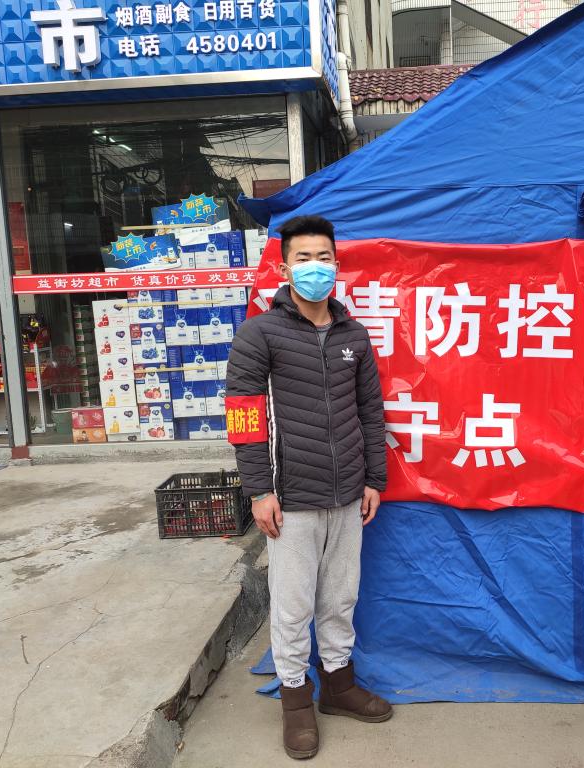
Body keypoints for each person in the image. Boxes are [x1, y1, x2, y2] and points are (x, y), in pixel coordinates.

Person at [226, 215, 392, 760]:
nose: (315, 268)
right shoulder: (259, 334)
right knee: (293, 605)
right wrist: (259, 491)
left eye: (324, 258)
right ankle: (296, 700)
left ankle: (339, 686)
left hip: (347, 495)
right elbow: (245, 417)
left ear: (337, 265)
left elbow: (370, 411)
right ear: (284, 268)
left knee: (340, 597)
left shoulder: (354, 336)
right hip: (290, 497)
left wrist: (373, 478)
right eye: (303, 258)